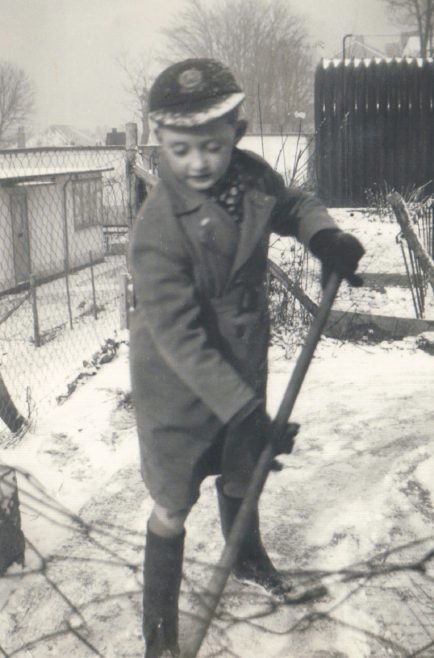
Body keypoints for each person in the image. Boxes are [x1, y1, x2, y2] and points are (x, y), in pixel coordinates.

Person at [129, 58, 364, 658]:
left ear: (238, 130)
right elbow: (179, 337)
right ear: (161, 142)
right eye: (180, 149)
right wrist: (240, 409)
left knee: (242, 470)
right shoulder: (158, 227)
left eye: (211, 144)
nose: (198, 162)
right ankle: (159, 631)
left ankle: (247, 554)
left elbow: (293, 204)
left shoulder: (252, 177)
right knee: (172, 501)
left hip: (240, 365)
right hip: (178, 387)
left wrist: (321, 234)